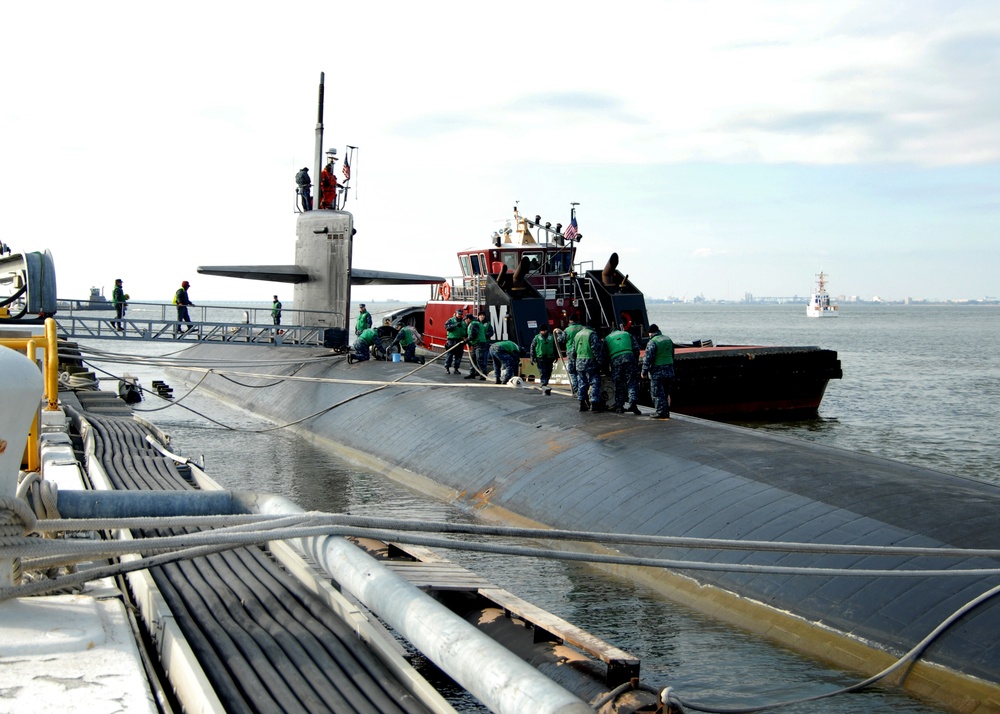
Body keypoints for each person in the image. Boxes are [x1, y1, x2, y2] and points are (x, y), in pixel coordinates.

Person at [605, 324, 641, 414]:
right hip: (630, 360)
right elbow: (636, 349)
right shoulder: (627, 334)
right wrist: (635, 361)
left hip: (616, 362)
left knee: (619, 384)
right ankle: (633, 403)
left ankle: (619, 407)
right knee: (632, 382)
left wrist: (606, 368)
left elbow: (604, 355)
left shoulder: (608, 338)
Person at [642, 323, 675, 419]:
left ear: (650, 333)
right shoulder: (668, 339)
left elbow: (648, 358)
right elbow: (672, 354)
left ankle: (660, 412)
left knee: (657, 393)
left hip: (658, 372)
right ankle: (666, 411)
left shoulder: (653, 342)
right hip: (669, 370)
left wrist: (644, 371)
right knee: (666, 392)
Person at [573, 322, 604, 412]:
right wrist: (601, 362)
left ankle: (582, 404)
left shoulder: (577, 335)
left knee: (582, 383)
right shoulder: (592, 334)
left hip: (579, 362)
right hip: (590, 361)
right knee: (594, 382)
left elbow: (573, 351)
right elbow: (596, 350)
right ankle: (594, 404)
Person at [557, 315, 584, 398]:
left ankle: (576, 390)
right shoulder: (582, 328)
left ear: (570, 321)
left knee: (572, 371)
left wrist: (559, 333)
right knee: (580, 371)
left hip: (571, 352)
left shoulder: (567, 330)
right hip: (581, 352)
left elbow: (561, 340)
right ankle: (582, 390)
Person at [463, 313, 488, 380]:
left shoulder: (474, 324)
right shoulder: (474, 323)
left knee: (479, 359)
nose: (465, 321)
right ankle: (472, 373)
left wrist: (466, 341)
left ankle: (483, 375)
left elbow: (473, 335)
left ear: (468, 319)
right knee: (472, 359)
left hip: (479, 344)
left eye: (465, 320)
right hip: (475, 344)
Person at [443, 308, 466, 374]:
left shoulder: (463, 322)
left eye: (461, 314)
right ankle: (447, 368)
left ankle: (456, 369)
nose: (460, 315)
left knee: (459, 356)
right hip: (452, 340)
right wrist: (455, 325)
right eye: (459, 314)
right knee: (449, 355)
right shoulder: (451, 320)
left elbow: (465, 330)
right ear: (456, 314)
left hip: (460, 340)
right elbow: (446, 327)